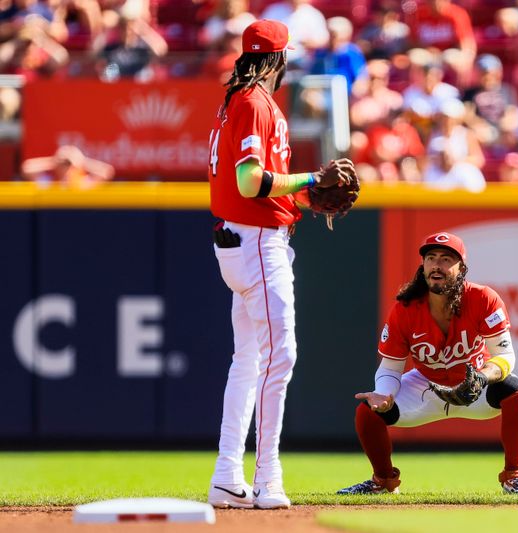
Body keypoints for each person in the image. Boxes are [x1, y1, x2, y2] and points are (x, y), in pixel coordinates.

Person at [206, 19, 356, 511]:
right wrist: (314, 177)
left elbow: (252, 189)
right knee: (280, 357)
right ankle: (267, 477)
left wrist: (306, 199)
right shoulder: (253, 102)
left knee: (248, 361)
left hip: (245, 239)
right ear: (278, 59)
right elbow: (251, 182)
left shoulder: (242, 99)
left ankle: (228, 474)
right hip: (256, 246)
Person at [337, 232, 518, 496]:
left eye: (445, 259)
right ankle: (383, 480)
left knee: (514, 390)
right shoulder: (406, 308)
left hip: (473, 386)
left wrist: (482, 377)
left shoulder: (483, 298)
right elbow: (390, 368)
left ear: (461, 268)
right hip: (426, 387)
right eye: (430, 258)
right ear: (423, 267)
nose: (436, 265)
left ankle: (514, 475)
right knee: (367, 411)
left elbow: (506, 355)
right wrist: (384, 394)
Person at [21, 144, 114, 187]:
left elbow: (107, 171)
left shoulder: (81, 184)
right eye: (63, 164)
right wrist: (53, 161)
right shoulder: (49, 183)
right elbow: (26, 168)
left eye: (68, 164)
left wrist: (81, 161)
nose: (65, 167)